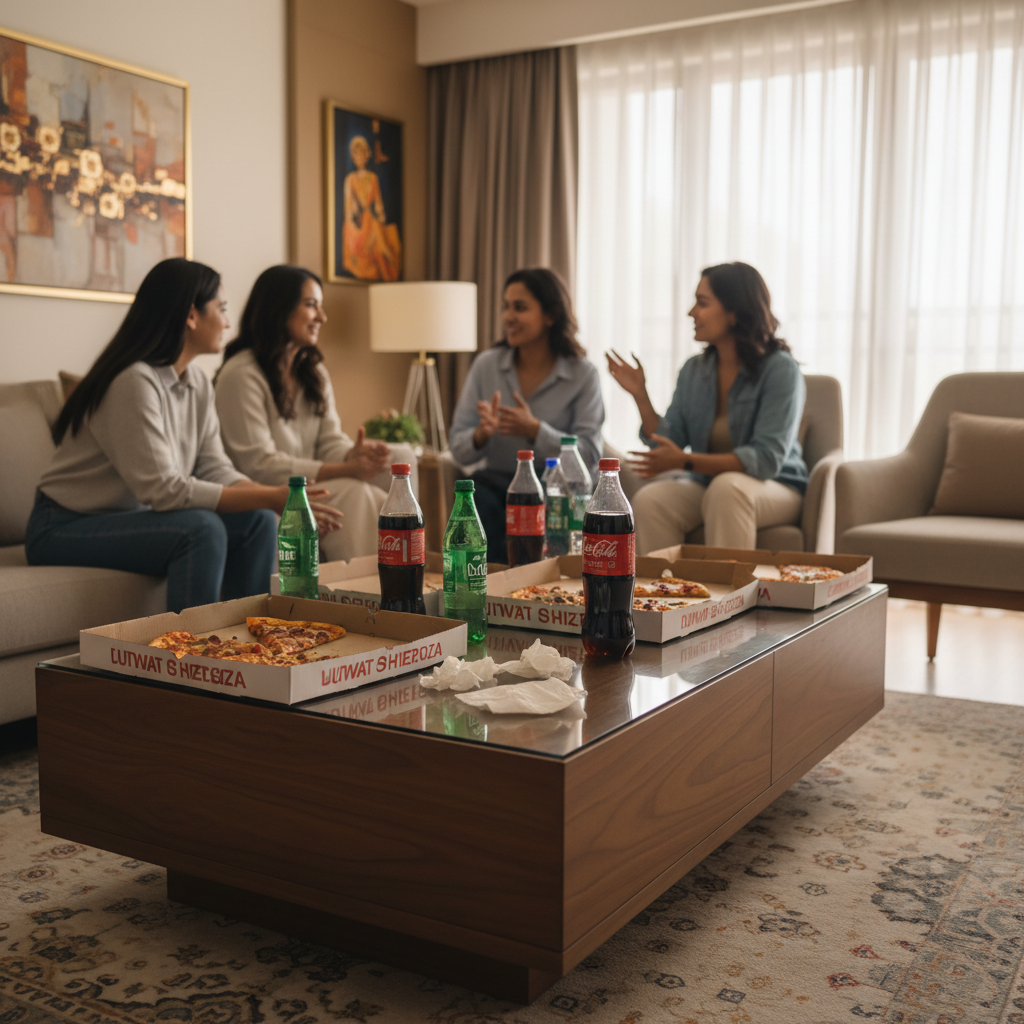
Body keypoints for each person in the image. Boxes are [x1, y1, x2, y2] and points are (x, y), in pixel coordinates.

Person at [26, 258, 342, 614]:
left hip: (128, 517)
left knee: (258, 521)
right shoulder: (134, 381)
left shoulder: (196, 383)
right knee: (201, 528)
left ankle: (250, 646)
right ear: (191, 315)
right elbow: (164, 490)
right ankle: (196, 659)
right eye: (221, 309)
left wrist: (270, 501)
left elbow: (215, 468)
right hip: (62, 527)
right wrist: (271, 494)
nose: (227, 321)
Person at [608, 262, 807, 553]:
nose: (691, 313)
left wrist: (685, 462)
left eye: (702, 303)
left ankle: (730, 597)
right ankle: (664, 595)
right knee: (651, 501)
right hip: (710, 483)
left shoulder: (781, 370)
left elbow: (766, 459)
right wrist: (640, 395)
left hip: (776, 485)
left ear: (735, 312)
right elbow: (670, 441)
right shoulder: (694, 370)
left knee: (727, 489)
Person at [215, 264, 392, 562]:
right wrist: (345, 470)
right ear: (279, 309)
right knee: (357, 494)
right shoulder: (241, 375)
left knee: (389, 485)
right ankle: (356, 598)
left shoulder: (314, 373)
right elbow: (258, 465)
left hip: (309, 486)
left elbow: (329, 443)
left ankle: (388, 592)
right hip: (264, 493)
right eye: (311, 305)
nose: (322, 317)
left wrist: (353, 455)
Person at [449, 267, 605, 563]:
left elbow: (590, 455)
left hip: (558, 491)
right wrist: (481, 435)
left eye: (520, 308)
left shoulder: (583, 374)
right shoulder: (486, 366)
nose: (508, 317)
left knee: (550, 513)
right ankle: (491, 597)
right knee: (475, 505)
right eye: (505, 307)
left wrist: (536, 430)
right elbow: (458, 448)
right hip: (497, 486)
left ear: (550, 315)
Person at [342, 135, 401, 281]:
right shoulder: (350, 179)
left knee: (378, 232)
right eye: (357, 153)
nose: (361, 157)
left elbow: (379, 204)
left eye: (363, 153)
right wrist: (355, 215)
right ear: (353, 156)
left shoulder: (373, 178)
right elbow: (349, 208)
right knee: (367, 228)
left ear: (367, 155)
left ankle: (386, 262)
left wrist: (380, 216)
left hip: (370, 219)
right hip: (358, 222)